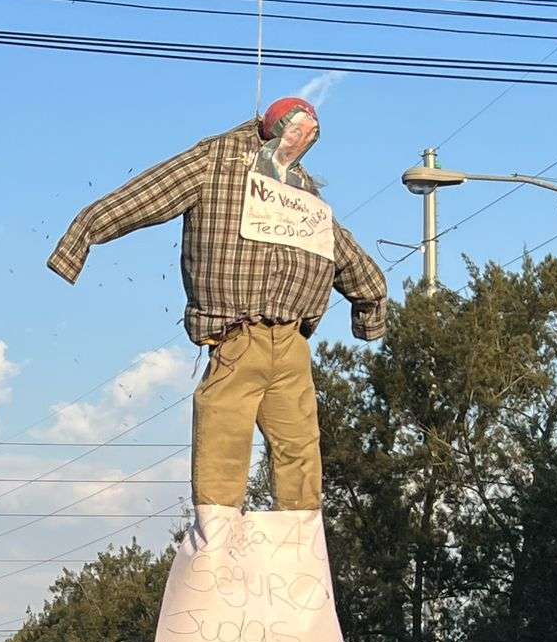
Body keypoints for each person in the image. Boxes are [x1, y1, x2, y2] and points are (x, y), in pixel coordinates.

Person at [47, 99, 387, 530]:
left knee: (301, 446)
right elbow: (149, 194)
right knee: (224, 435)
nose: (300, 142)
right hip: (235, 334)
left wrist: (371, 304)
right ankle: (217, 538)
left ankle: (300, 545)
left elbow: (346, 253)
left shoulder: (305, 195)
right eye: (295, 131)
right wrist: (82, 236)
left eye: (309, 136)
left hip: (293, 342)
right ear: (272, 128)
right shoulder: (218, 163)